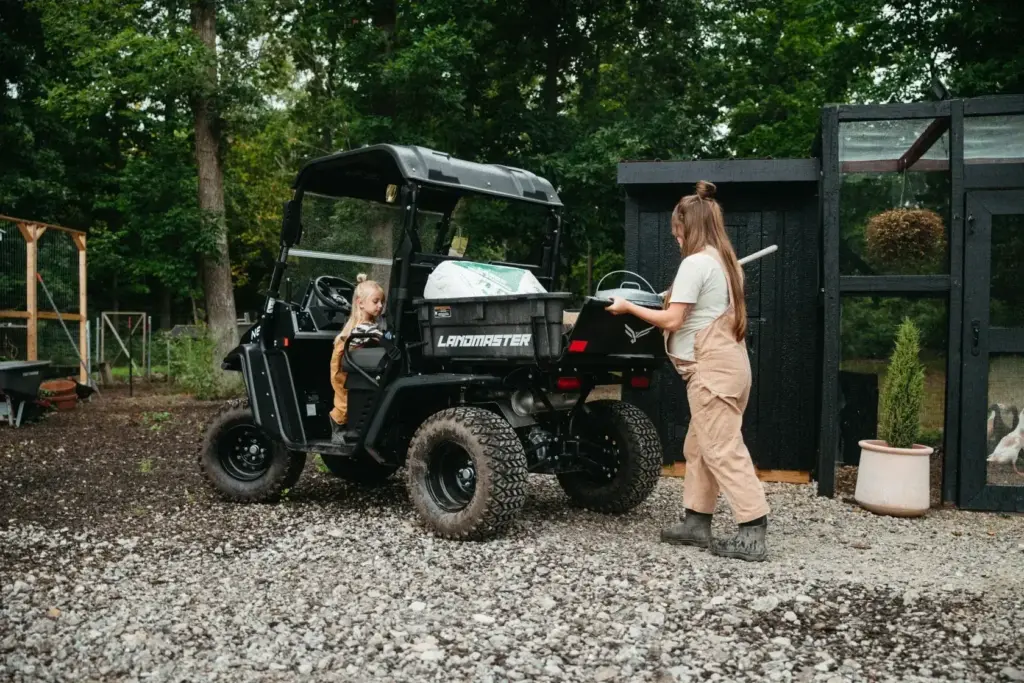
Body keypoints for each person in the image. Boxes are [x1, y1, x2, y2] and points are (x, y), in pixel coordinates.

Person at [606, 180, 770, 562]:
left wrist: (628, 307)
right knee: (699, 447)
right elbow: (696, 307)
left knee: (722, 448)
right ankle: (696, 521)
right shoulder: (723, 262)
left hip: (712, 371)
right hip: (729, 367)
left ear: (689, 227)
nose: (676, 240)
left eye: (677, 233)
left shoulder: (696, 263)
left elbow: (673, 320)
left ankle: (753, 529)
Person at [329, 274, 385, 444]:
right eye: (375, 302)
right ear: (360, 303)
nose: (380, 306)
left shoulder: (371, 325)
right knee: (345, 398)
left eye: (382, 302)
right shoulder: (362, 328)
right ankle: (337, 428)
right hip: (345, 366)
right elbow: (380, 337)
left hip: (355, 364)